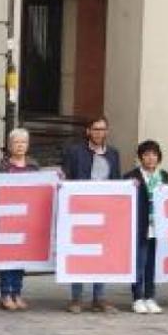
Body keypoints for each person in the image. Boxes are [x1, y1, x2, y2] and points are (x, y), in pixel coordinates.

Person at [62, 116, 121, 313]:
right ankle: (76, 298)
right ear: (88, 131)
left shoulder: (113, 154)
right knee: (80, 252)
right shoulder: (75, 151)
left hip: (104, 211)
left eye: (102, 129)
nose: (99, 133)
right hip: (80, 209)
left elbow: (116, 181)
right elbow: (67, 175)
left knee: (101, 253)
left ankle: (99, 297)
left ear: (107, 132)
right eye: (95, 129)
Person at [0, 128, 41, 311]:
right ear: (10, 145)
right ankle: (5, 294)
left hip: (25, 219)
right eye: (16, 142)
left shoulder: (34, 166)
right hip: (6, 219)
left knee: (20, 259)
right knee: (6, 258)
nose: (20, 145)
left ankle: (17, 292)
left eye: (23, 142)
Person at [124, 140, 168, 315]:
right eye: (146, 155)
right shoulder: (131, 176)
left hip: (158, 227)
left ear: (158, 157)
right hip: (140, 226)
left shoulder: (163, 175)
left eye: (154, 155)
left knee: (152, 264)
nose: (150, 158)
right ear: (140, 157)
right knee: (139, 263)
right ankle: (137, 297)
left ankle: (150, 296)